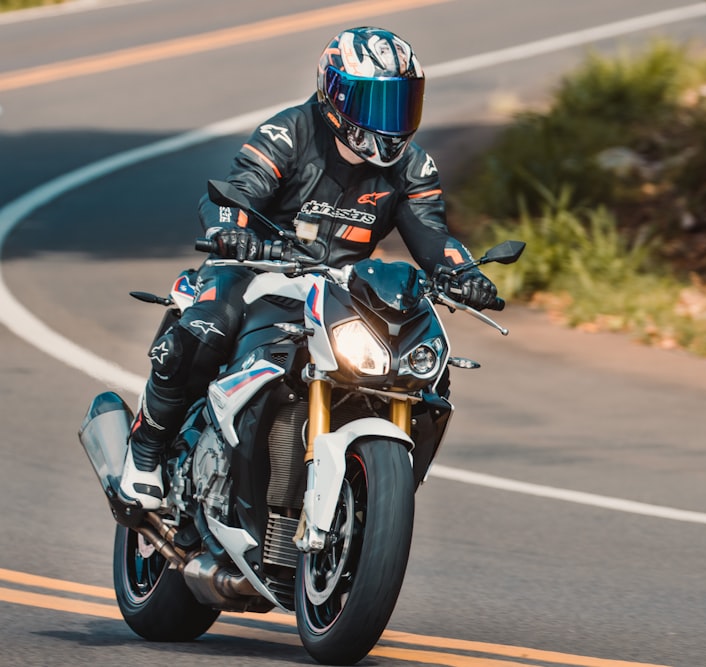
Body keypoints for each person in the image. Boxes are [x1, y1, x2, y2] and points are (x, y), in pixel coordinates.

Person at [119, 26, 497, 511]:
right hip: (255, 267)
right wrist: (230, 229)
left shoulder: (412, 167)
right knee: (209, 326)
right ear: (336, 96)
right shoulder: (289, 131)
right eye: (376, 103)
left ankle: (374, 498)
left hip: (341, 290)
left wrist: (464, 274)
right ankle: (146, 451)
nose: (391, 119)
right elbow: (241, 187)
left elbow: (433, 234)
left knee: (425, 368)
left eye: (401, 103)